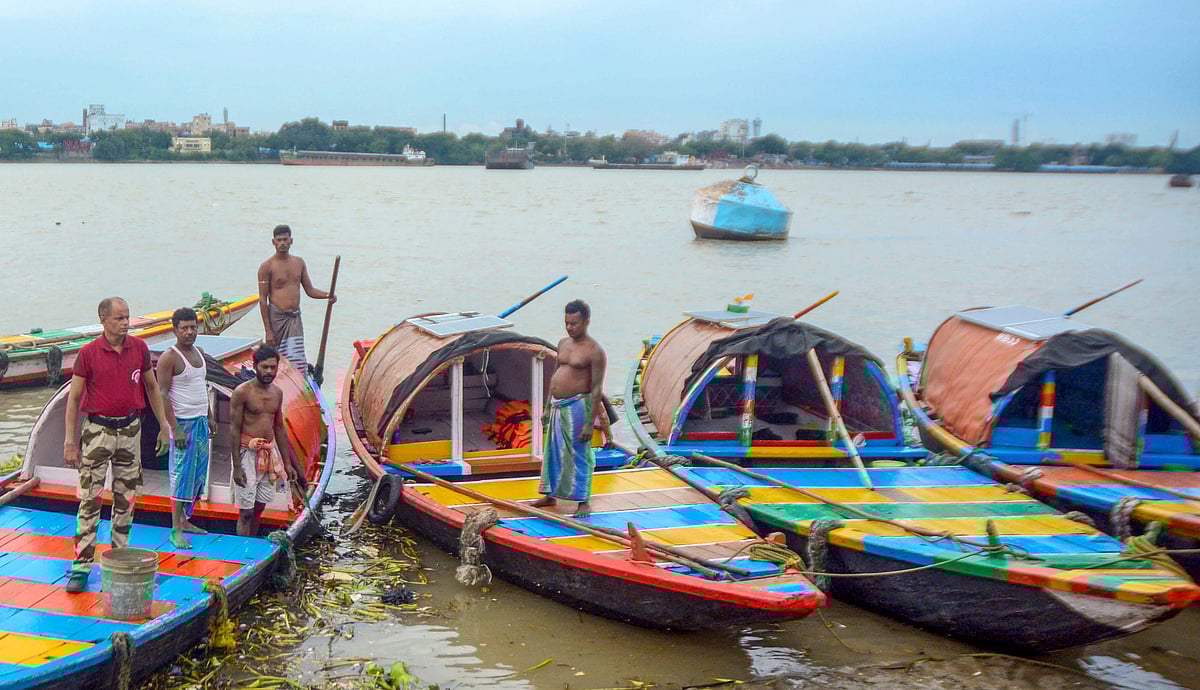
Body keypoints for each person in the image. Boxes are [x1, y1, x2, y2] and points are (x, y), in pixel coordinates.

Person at [63, 297, 170, 593]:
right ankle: (82, 564)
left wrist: (163, 425)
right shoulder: (88, 353)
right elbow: (74, 399)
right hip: (98, 430)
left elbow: (151, 387)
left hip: (130, 429)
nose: (124, 323)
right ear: (103, 320)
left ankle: (119, 556)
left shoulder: (139, 348)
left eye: (127, 318)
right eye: (119, 318)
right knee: (90, 498)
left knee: (126, 497)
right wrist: (70, 442)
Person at [531, 300, 612, 518]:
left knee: (579, 452)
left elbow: (596, 389)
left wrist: (589, 421)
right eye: (567, 323)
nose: (569, 327)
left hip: (578, 405)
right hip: (558, 405)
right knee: (553, 450)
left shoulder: (595, 351)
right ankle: (550, 493)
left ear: (586, 321)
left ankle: (583, 500)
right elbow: (555, 375)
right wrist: (547, 407)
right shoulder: (563, 343)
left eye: (574, 323)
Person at [230, 346, 302, 537]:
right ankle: (243, 551)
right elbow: (234, 429)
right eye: (265, 367)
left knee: (260, 506)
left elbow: (279, 427)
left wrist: (287, 464)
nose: (269, 371)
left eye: (273, 367)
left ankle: (252, 544)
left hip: (268, 454)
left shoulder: (277, 393)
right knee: (246, 511)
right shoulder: (242, 392)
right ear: (255, 366)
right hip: (247, 454)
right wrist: (237, 466)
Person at [157, 307, 212, 549]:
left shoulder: (199, 353)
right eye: (184, 328)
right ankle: (175, 529)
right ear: (175, 330)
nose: (190, 332)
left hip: (200, 420)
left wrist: (209, 416)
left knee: (199, 474)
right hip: (183, 423)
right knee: (181, 475)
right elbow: (162, 394)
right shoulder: (169, 358)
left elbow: (202, 386)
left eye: (193, 327)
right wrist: (174, 429)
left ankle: (186, 520)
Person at [257, 224, 336, 373]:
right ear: (273, 242)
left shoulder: (299, 263)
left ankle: (300, 383)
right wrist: (268, 330)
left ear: (291, 241)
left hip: (294, 318)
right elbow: (262, 299)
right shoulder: (267, 266)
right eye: (279, 240)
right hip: (277, 319)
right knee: (276, 357)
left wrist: (328, 295)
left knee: (296, 357)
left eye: (285, 240)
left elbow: (310, 290)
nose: (282, 243)